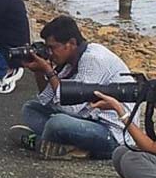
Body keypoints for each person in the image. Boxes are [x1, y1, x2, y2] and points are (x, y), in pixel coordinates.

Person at [8, 15, 133, 159]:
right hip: (87, 120)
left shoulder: (92, 59)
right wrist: (39, 71)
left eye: (52, 47)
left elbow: (70, 107)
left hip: (112, 134)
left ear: (71, 43)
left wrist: (49, 71)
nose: (50, 53)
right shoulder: (70, 60)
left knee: (57, 122)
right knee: (30, 108)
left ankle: (41, 143)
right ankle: (67, 146)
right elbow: (46, 99)